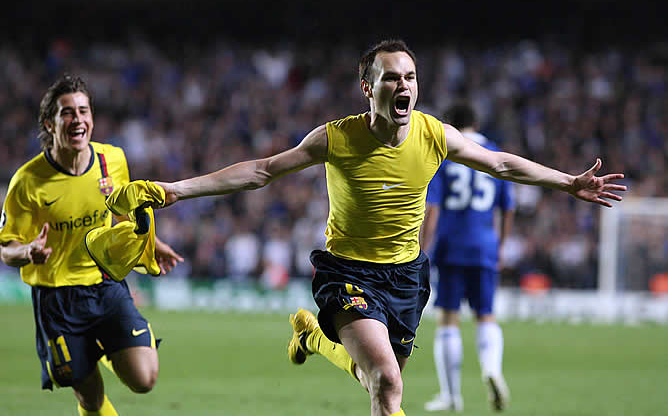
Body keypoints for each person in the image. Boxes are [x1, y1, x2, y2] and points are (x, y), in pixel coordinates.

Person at [153, 39, 626, 416]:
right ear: (368, 87)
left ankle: (313, 338)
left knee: (379, 384)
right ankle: (322, 330)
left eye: (410, 77)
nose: (404, 85)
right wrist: (179, 188)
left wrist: (569, 183)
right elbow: (261, 170)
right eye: (391, 78)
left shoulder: (434, 134)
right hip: (347, 274)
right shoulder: (336, 137)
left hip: (407, 277)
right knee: (387, 381)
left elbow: (500, 163)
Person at [0, 75, 183, 416]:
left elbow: (123, 213)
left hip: (105, 286)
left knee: (145, 379)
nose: (77, 119)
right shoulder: (28, 181)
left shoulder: (111, 160)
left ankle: (111, 346)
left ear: (92, 117)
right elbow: (6, 248)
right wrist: (27, 252)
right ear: (49, 123)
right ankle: (102, 352)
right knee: (91, 400)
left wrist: (152, 242)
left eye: (83, 110)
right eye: (67, 112)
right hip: (57, 299)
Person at [421, 103, 514, 412]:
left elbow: (432, 208)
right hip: (485, 245)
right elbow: (507, 208)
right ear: (476, 122)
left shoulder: (448, 153)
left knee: (448, 318)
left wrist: (423, 248)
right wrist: (499, 247)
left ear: (451, 125)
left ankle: (451, 396)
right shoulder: (495, 151)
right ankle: (491, 369)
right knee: (486, 314)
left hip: (451, 245)